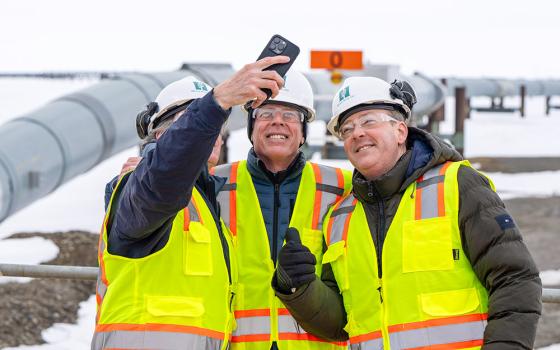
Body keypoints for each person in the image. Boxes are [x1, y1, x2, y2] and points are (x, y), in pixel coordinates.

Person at [274, 77, 542, 350]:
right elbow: (340, 324)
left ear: (400, 131)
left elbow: (515, 279)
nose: (357, 133)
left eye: (368, 122)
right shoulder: (340, 218)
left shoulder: (457, 185)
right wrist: (301, 287)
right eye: (347, 129)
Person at [92, 56, 289, 350]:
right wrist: (217, 102)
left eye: (216, 128)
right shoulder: (144, 187)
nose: (210, 134)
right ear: (158, 134)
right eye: (188, 122)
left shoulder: (207, 208)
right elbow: (168, 169)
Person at [210, 70, 353, 350]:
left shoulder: (342, 187)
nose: (278, 121)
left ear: (303, 132)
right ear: (251, 127)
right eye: (266, 113)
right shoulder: (215, 184)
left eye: (290, 115)